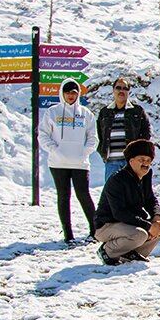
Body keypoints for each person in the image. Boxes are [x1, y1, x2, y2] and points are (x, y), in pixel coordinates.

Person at [93, 139, 160, 265]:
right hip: (108, 225)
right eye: (142, 160)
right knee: (140, 234)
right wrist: (149, 226)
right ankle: (108, 250)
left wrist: (157, 217)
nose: (146, 164)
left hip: (131, 224)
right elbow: (119, 213)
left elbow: (150, 199)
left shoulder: (146, 175)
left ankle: (130, 253)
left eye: (148, 161)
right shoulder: (117, 180)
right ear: (131, 161)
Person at [41, 78, 97, 244]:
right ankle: (68, 234)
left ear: (78, 94)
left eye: (74, 93)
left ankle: (95, 230)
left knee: (84, 195)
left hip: (80, 163)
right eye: (67, 92)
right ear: (62, 94)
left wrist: (84, 153)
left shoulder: (86, 114)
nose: (71, 96)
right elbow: (43, 135)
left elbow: (93, 138)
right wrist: (55, 150)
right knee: (63, 197)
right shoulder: (52, 112)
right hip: (58, 163)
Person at [96, 76, 152, 182]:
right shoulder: (105, 112)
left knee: (132, 192)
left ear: (129, 91)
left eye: (125, 88)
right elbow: (99, 134)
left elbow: (146, 134)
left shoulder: (137, 111)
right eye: (118, 88)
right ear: (113, 90)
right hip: (111, 162)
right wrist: (102, 150)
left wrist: (138, 154)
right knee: (112, 193)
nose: (121, 91)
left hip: (131, 162)